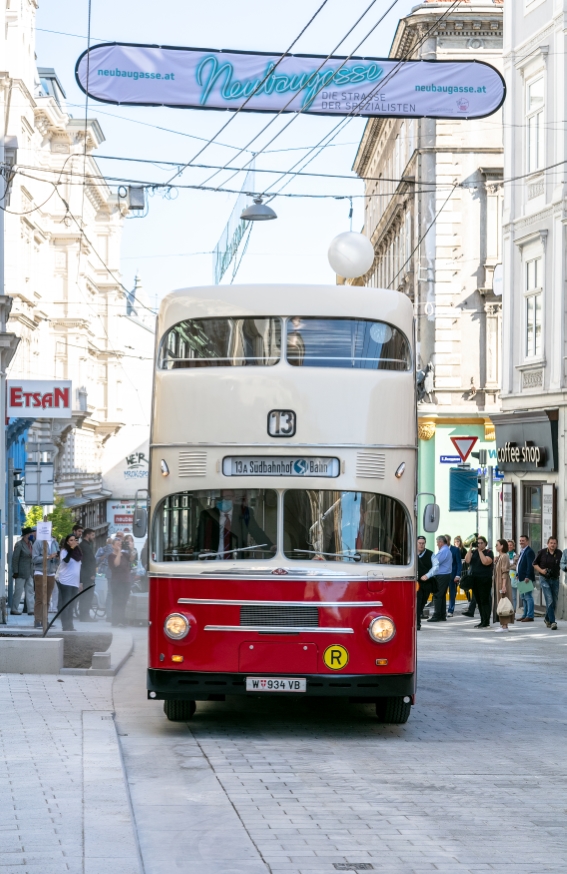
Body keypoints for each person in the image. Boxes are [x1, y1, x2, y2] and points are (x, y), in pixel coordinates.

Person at [194, 490, 274, 558]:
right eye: (221, 498)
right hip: (212, 558)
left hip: (237, 558)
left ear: (234, 498)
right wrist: (195, 555)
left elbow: (256, 531)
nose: (224, 500)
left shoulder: (244, 512)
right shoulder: (207, 514)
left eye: (228, 497)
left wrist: (270, 546)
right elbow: (200, 536)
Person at [421, 535, 453, 622]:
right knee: (441, 595)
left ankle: (437, 615)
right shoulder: (447, 550)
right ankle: (442, 614)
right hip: (445, 575)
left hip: (442, 575)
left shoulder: (443, 551)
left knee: (437, 595)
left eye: (437, 542)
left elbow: (435, 562)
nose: (437, 544)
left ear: (440, 542)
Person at [31, 532, 60, 629]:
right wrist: (48, 557)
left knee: (47, 599)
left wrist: (57, 558)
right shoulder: (38, 542)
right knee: (40, 598)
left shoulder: (54, 543)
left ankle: (45, 620)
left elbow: (57, 558)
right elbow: (34, 559)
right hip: (40, 572)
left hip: (51, 572)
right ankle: (37, 620)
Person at [464, 536, 494, 628]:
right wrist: (470, 549)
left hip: (484, 579)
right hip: (475, 579)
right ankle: (482, 620)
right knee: (479, 601)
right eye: (478, 543)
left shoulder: (489, 552)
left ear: (485, 543)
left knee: (485, 600)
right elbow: (467, 560)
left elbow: (485, 562)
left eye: (481, 543)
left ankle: (486, 621)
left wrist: (480, 551)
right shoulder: (474, 552)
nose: (479, 544)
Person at [533, 536, 562, 630]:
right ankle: (553, 622)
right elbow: (534, 564)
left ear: (556, 544)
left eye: (554, 543)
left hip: (555, 579)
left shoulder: (559, 553)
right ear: (547, 544)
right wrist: (541, 571)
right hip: (544, 579)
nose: (553, 545)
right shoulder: (542, 552)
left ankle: (547, 618)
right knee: (549, 599)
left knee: (554, 601)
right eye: (551, 543)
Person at [57, 534, 83, 631]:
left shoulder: (78, 552)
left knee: (72, 604)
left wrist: (81, 582)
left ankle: (70, 626)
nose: (73, 542)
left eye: (74, 540)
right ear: (67, 542)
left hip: (74, 582)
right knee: (66, 604)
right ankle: (65, 626)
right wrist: (71, 549)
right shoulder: (64, 551)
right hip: (65, 581)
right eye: (71, 540)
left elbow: (79, 568)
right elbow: (66, 561)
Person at [11, 527, 35, 616]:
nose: (32, 535)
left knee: (30, 591)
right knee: (18, 591)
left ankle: (30, 609)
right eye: (30, 534)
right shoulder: (19, 544)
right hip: (20, 572)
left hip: (29, 572)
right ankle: (14, 609)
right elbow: (15, 559)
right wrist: (15, 571)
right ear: (26, 535)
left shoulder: (31, 544)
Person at [109, 538, 132, 626]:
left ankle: (122, 619)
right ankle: (115, 620)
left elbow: (132, 558)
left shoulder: (125, 554)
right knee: (117, 600)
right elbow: (116, 564)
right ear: (113, 546)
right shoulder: (111, 556)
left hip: (126, 580)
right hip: (116, 581)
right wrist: (118, 552)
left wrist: (132, 549)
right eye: (117, 544)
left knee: (124, 600)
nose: (119, 545)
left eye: (120, 544)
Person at [493, 538, 513, 632]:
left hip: (502, 582)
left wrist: (504, 585)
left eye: (497, 544)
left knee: (503, 603)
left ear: (502, 546)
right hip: (499, 582)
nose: (496, 546)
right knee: (500, 603)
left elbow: (505, 572)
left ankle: (505, 626)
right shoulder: (500, 557)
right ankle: (503, 624)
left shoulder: (504, 556)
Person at [79, 529, 97, 622]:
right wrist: (92, 574)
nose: (94, 537)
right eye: (92, 535)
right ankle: (84, 615)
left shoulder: (85, 545)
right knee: (87, 595)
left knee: (86, 595)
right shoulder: (85, 546)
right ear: (87, 535)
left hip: (86, 573)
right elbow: (88, 561)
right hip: (87, 574)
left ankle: (84, 615)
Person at [516, 534, 536, 623]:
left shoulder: (529, 551)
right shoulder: (522, 551)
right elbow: (520, 564)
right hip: (521, 578)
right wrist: (517, 573)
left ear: (527, 541)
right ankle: (525, 615)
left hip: (526, 578)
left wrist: (528, 576)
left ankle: (530, 615)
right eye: (520, 541)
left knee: (528, 597)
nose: (521, 542)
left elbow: (530, 565)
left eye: (523, 541)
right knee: (523, 597)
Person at [416, 536, 433, 631]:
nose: (421, 545)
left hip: (426, 583)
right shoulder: (411, 554)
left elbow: (436, 567)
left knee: (422, 603)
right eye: (420, 543)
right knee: (418, 603)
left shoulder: (430, 554)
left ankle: (417, 618)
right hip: (415, 584)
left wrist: (428, 575)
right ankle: (417, 623)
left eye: (423, 543)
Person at [445, 535, 462, 617]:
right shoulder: (441, 549)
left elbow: (459, 563)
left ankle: (450, 610)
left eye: (446, 540)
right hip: (443, 575)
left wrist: (458, 575)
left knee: (452, 593)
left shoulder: (455, 550)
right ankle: (441, 610)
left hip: (453, 575)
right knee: (442, 593)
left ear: (449, 540)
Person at [507, 540, 519, 614]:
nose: (509, 546)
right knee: (507, 595)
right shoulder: (504, 555)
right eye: (508, 545)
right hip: (506, 576)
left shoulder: (517, 555)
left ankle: (513, 610)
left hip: (514, 577)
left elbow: (516, 566)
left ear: (514, 546)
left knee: (514, 596)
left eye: (511, 545)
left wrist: (509, 566)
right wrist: (512, 565)